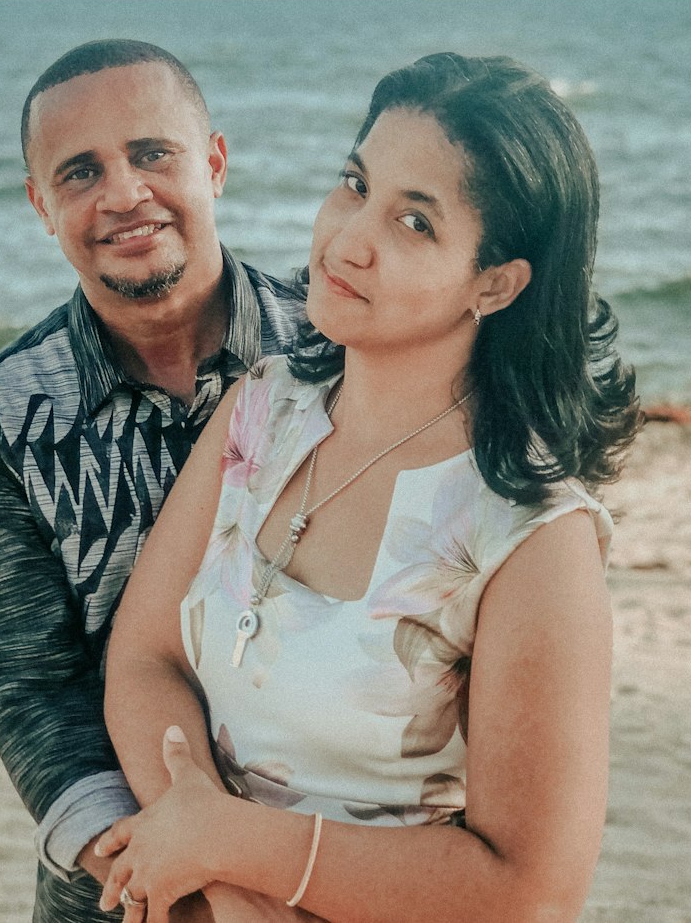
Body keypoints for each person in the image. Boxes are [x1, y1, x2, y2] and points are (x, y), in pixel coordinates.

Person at [98, 52, 641, 923]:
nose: (349, 238)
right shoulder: (261, 410)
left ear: (496, 283)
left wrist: (229, 849)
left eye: (415, 223)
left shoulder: (531, 536)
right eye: (355, 184)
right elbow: (143, 655)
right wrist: (212, 857)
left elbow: (530, 889)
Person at [0, 40, 304, 922]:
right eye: (80, 171)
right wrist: (179, 882)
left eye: (151, 153)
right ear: (40, 205)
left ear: (214, 161)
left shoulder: (336, 352)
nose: (123, 194)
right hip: (126, 891)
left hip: (342, 862)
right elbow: (28, 686)